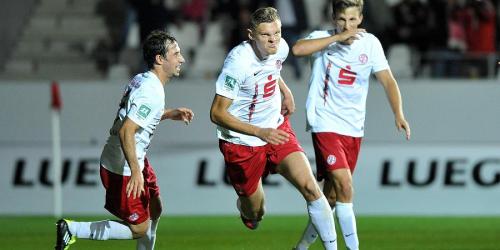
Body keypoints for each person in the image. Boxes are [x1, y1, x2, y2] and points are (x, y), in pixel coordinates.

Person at [210, 7, 338, 250]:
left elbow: (273, 68)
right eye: (266, 35)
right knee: (256, 213)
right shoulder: (237, 62)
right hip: (242, 143)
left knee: (311, 188)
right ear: (251, 35)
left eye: (277, 33)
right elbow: (216, 113)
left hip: (276, 129)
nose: (273, 40)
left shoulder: (281, 47)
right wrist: (259, 132)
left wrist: (284, 89)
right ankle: (247, 211)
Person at [54, 30, 194, 250]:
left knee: (155, 208)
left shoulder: (143, 79)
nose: (182, 59)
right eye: (176, 54)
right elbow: (126, 131)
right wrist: (136, 171)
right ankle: (72, 229)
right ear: (160, 59)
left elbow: (132, 118)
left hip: (133, 158)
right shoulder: (151, 90)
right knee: (139, 228)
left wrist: (168, 113)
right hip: (124, 166)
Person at [291, 0, 411, 249]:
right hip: (325, 122)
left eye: (353, 20)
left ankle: (301, 247)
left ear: (361, 19)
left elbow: (388, 81)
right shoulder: (322, 39)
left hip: (354, 128)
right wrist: (336, 38)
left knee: (332, 197)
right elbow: (298, 50)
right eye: (342, 20)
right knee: (346, 185)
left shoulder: (370, 44)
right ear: (334, 19)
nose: (348, 26)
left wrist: (398, 114)